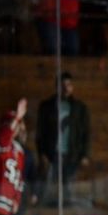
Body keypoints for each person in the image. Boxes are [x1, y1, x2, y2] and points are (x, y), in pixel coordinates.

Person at [36, 71, 90, 206]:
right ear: (57, 87)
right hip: (51, 152)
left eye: (69, 85)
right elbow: (40, 132)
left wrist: (85, 155)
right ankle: (45, 213)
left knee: (69, 188)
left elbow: (86, 133)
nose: (66, 88)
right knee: (47, 187)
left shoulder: (80, 108)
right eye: (63, 85)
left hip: (72, 153)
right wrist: (41, 153)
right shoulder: (47, 107)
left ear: (73, 87)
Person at [0, 100, 37, 215]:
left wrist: (16, 200)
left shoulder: (20, 150)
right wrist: (17, 117)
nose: (17, 127)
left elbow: (20, 179)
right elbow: (4, 137)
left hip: (10, 206)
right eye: (13, 123)